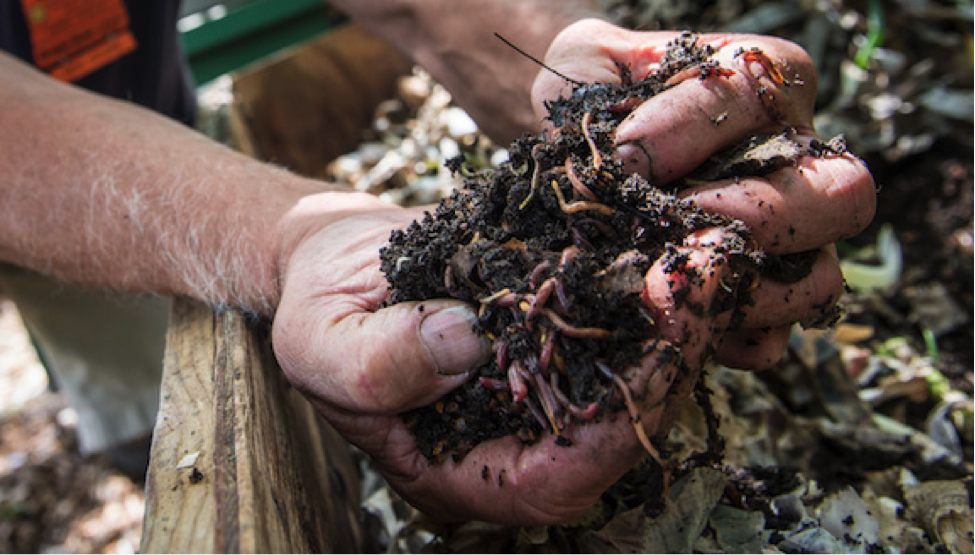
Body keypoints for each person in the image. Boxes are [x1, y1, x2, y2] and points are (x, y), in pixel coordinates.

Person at [0, 0, 875, 525]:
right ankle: (129, 453)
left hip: (141, 103)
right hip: (44, 187)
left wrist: (575, 73)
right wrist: (279, 235)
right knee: (147, 394)